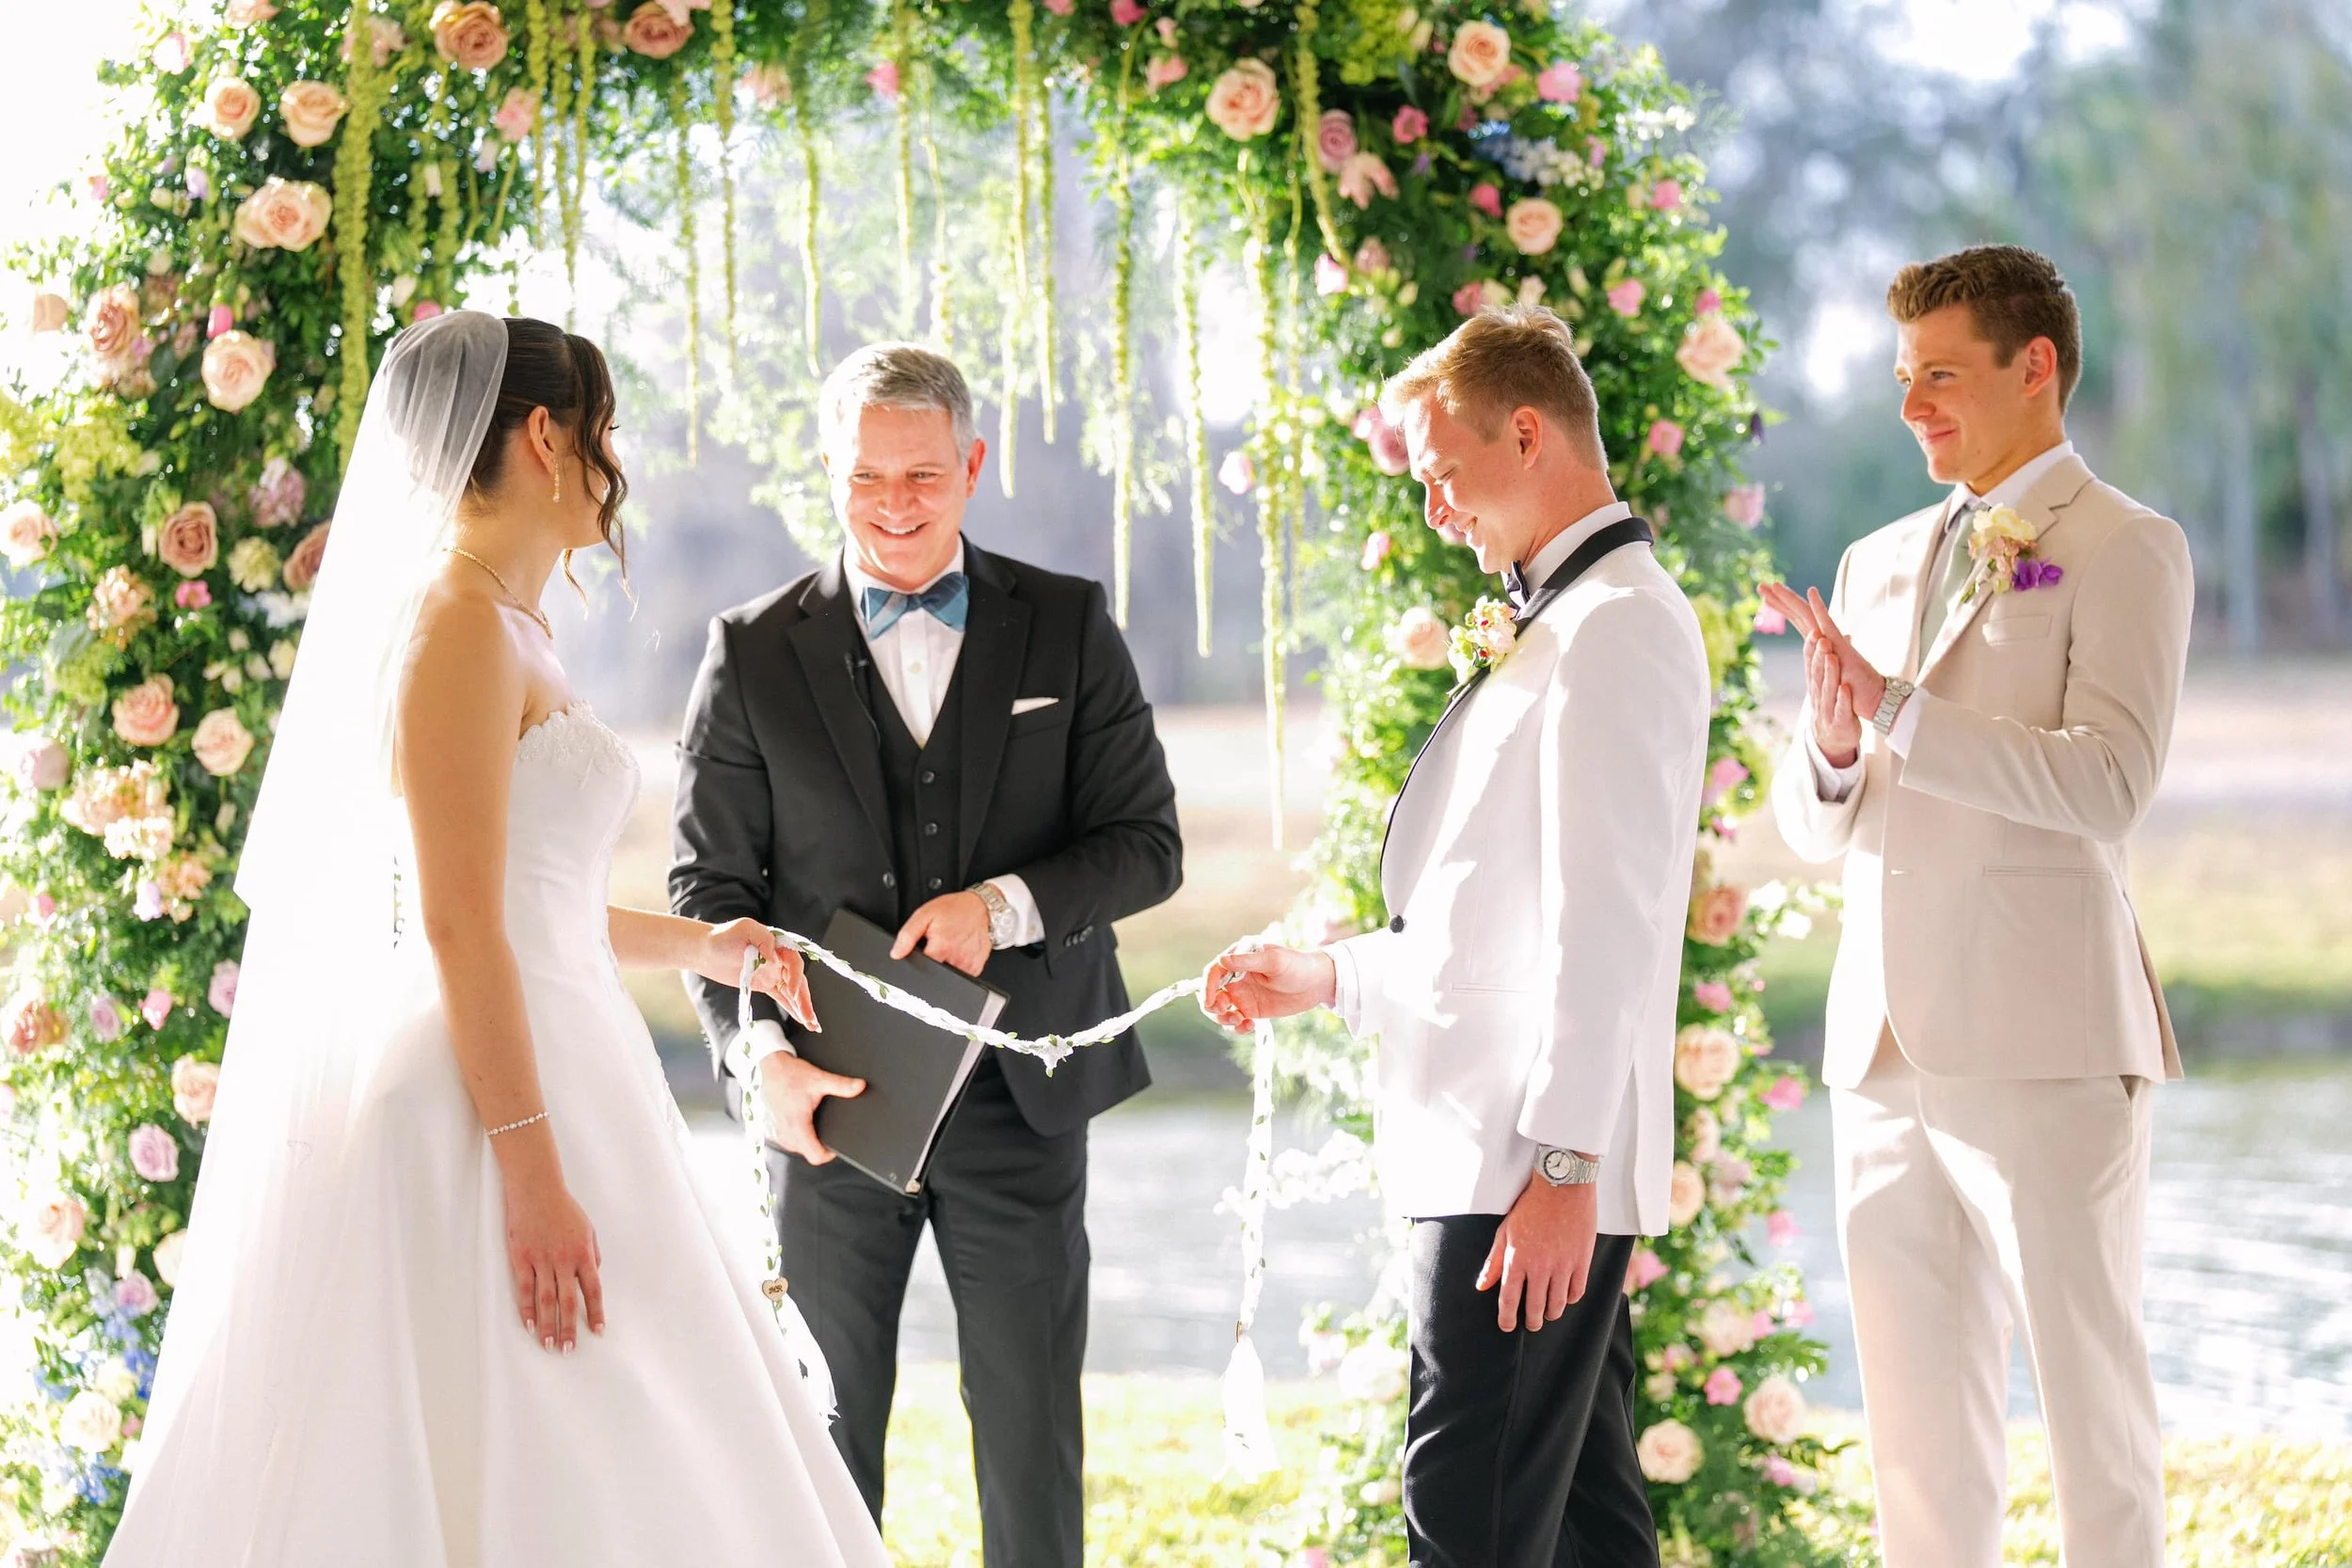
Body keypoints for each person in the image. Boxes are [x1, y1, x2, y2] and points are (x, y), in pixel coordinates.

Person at [105, 312, 888, 1567]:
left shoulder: (513, 625)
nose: (611, 459)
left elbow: (540, 899)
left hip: (573, 1049)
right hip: (490, 1096)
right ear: (544, 434)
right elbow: (462, 919)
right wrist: (527, 1169)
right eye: (603, 428)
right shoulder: (456, 626)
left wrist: (707, 945)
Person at [1199, 306, 1708, 1568]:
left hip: (1519, 1175)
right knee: (1587, 1528)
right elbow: (1483, 919)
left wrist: (1566, 1166)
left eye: (1441, 473)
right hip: (1489, 1156)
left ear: (1526, 434)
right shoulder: (1555, 625)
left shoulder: (1619, 628)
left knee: (1466, 1525)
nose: (1434, 510)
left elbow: (1612, 922)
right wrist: (1325, 974)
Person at [669, 341, 1183, 1567]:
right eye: (865, 479)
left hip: (1021, 1096)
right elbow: (709, 892)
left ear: (974, 467)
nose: (894, 505)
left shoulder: (1065, 625)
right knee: (824, 1442)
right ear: (827, 474)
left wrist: (1001, 904)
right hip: (833, 1107)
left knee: (1027, 1438)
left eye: (923, 476)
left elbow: (1146, 845)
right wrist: (759, 1063)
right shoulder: (747, 654)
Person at [1762, 245, 2193, 1568]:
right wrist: (1835, 743)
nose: (1912, 407)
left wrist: (1899, 707)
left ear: (2037, 367)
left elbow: (2108, 784)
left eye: (1940, 375)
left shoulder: (2127, 547)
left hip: (2047, 1040)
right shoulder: (1879, 554)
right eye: (1902, 378)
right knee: (1915, 1428)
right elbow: (1817, 816)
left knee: (2087, 1401)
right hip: (1880, 1047)